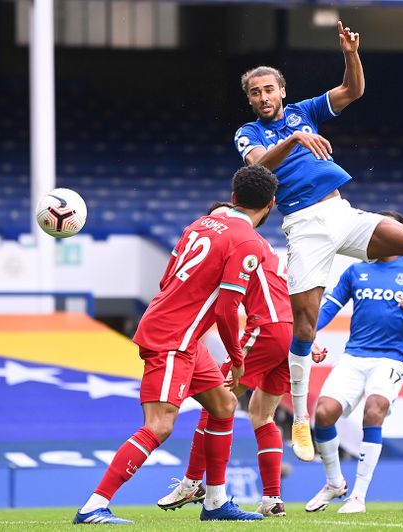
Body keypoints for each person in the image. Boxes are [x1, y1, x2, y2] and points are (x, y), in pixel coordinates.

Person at [234, 21, 403, 463]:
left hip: (340, 211)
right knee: (305, 327)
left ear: (282, 90)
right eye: (255, 93)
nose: (263, 97)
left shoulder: (304, 110)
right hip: (304, 226)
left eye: (269, 89)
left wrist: (351, 53)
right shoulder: (248, 133)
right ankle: (300, 420)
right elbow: (260, 169)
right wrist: (295, 139)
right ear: (250, 99)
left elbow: (352, 90)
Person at [73, 165, 278, 524]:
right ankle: (93, 506)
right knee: (159, 425)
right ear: (270, 204)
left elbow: (166, 279)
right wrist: (236, 357)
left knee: (224, 405)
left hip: (181, 334)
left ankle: (215, 502)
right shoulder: (249, 242)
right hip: (173, 338)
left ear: (233, 197)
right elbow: (227, 307)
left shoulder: (200, 224)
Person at [302, 211, 403, 514]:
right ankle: (334, 482)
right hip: (354, 356)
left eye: (383, 231)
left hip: (391, 359)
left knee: (374, 411)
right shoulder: (356, 271)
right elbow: (328, 308)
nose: (377, 236)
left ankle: (357, 497)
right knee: (323, 414)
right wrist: (307, 337)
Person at [156, 201, 293, 518]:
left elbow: (225, 304)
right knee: (263, 414)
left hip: (265, 329)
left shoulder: (242, 243)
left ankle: (193, 481)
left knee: (216, 400)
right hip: (289, 331)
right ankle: (272, 499)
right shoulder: (263, 246)